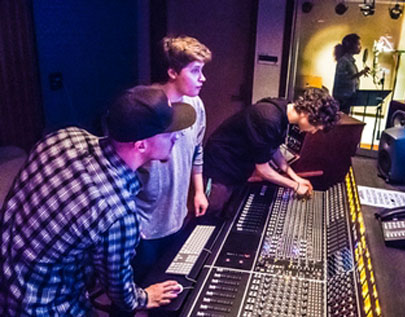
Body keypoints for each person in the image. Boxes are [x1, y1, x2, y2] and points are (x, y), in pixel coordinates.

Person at [0, 86, 193, 315]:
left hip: (6, 277)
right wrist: (143, 297)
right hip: (42, 304)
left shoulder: (64, 137)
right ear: (140, 144)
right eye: (169, 132)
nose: (177, 136)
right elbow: (119, 291)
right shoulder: (116, 211)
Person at [131, 35, 212, 281]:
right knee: (134, 293)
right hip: (143, 225)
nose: (203, 78)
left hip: (176, 217)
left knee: (166, 288)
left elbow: (197, 149)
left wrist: (199, 191)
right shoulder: (142, 107)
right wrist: (132, 223)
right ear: (172, 72)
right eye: (196, 70)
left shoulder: (196, 105)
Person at [203, 87, 340, 214]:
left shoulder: (284, 110)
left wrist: (295, 177)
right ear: (308, 113)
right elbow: (263, 171)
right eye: (316, 127)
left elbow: (273, 148)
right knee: (211, 211)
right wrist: (295, 186)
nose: (314, 132)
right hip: (220, 167)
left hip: (237, 167)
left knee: (228, 211)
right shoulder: (268, 118)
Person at [332, 33, 370, 114]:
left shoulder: (349, 61)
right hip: (342, 100)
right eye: (358, 44)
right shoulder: (344, 61)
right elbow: (343, 80)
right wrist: (360, 73)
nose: (360, 47)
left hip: (348, 99)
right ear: (351, 45)